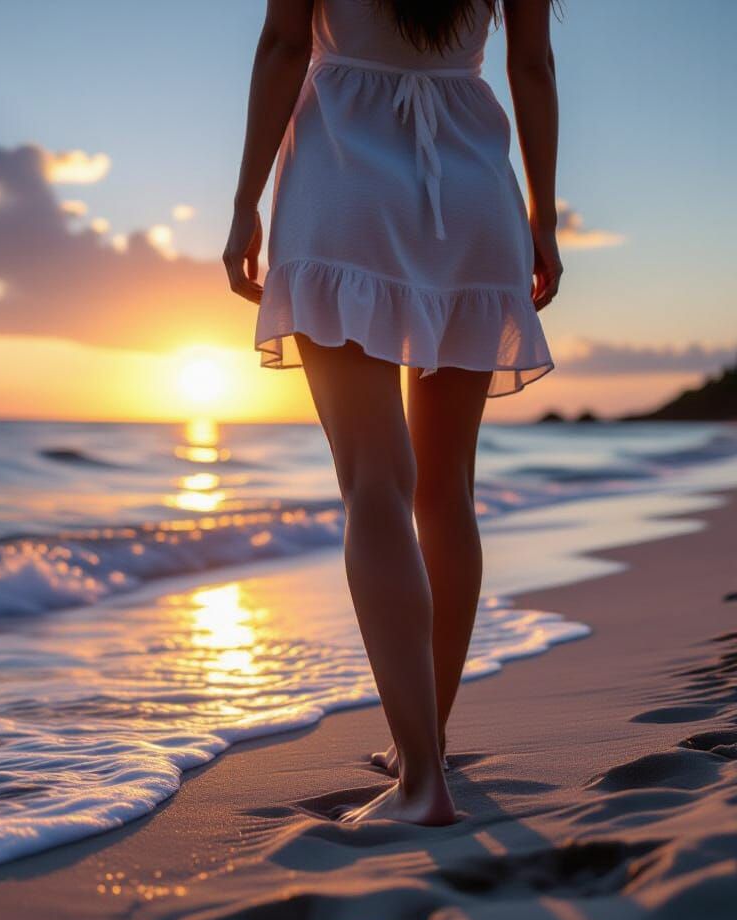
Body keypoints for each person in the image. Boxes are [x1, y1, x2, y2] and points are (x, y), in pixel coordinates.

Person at [224, 0, 561, 825]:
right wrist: (542, 219)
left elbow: (282, 41)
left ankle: (419, 780)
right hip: (473, 185)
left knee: (374, 483)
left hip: (343, 177)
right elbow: (532, 65)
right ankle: (427, 745)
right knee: (445, 488)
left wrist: (245, 203)